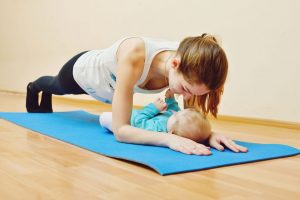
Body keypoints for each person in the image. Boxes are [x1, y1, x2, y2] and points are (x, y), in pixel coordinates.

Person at [26, 33, 248, 155]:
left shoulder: (190, 66)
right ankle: (35, 88)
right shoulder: (135, 55)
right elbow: (121, 131)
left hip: (110, 89)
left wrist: (207, 134)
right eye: (186, 91)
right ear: (174, 63)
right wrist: (167, 139)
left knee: (58, 89)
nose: (185, 97)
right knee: (57, 86)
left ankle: (45, 93)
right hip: (85, 73)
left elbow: (188, 115)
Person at [100, 89, 212, 149]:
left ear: (172, 133)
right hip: (131, 113)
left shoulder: (156, 128)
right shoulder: (174, 120)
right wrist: (170, 99)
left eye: (177, 115)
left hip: (130, 121)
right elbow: (173, 108)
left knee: (104, 117)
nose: (177, 112)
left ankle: (105, 121)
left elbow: (139, 121)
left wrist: (154, 108)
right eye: (182, 111)